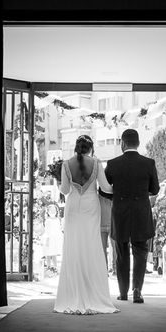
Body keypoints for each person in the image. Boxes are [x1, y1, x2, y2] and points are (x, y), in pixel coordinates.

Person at [53, 135, 118, 314]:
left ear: (76, 147)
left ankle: (73, 294)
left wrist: (58, 182)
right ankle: (93, 293)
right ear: (91, 148)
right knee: (91, 247)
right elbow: (106, 188)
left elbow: (65, 190)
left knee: (73, 248)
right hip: (91, 207)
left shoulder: (66, 164)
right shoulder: (96, 163)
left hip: (73, 208)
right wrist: (121, 187)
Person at [105, 129, 160, 304]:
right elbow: (155, 189)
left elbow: (104, 190)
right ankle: (137, 291)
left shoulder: (113, 163)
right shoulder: (148, 163)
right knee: (141, 253)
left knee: (121, 253)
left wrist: (118, 195)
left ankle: (122, 292)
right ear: (138, 143)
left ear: (122, 143)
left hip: (120, 213)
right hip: (141, 213)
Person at [98, 187, 116, 273]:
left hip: (105, 225)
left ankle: (105, 270)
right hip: (110, 225)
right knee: (114, 248)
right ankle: (114, 269)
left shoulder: (97, 197)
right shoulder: (113, 194)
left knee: (103, 249)